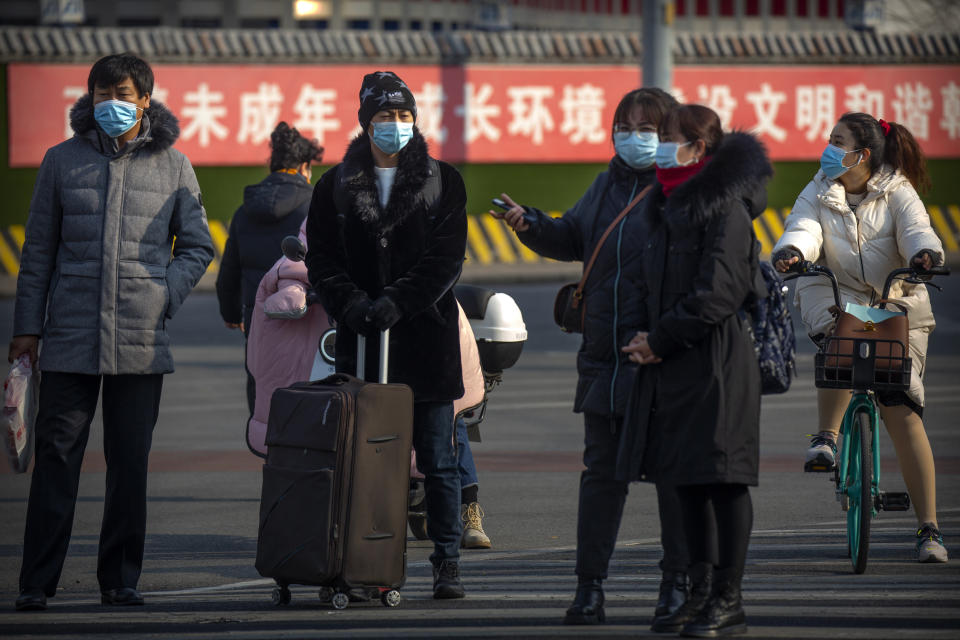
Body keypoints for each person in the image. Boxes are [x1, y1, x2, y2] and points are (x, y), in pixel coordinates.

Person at [9, 53, 214, 611]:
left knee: (130, 464)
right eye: (102, 94)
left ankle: (120, 577)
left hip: (140, 342)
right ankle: (36, 582)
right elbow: (37, 255)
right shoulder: (60, 162)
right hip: (69, 338)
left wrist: (163, 294)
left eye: (122, 94)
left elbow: (198, 246)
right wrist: (27, 328)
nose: (111, 105)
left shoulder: (174, 166)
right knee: (57, 459)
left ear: (145, 99)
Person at [490, 88, 690, 626]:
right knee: (601, 476)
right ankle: (589, 589)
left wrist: (665, 337)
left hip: (663, 359)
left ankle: (676, 586)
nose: (634, 136)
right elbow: (573, 236)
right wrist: (530, 224)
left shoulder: (684, 191)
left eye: (647, 127)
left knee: (674, 480)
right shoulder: (606, 185)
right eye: (624, 126)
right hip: (605, 357)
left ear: (671, 134)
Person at [305, 71, 468, 599]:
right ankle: (366, 562)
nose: (395, 125)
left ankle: (447, 563)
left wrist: (396, 302)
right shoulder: (333, 186)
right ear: (364, 122)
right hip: (362, 343)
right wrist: (353, 305)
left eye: (403, 115)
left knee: (439, 463)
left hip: (426, 342)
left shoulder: (443, 180)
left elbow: (445, 260)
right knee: (366, 463)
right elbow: (323, 260)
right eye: (383, 116)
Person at [621, 104, 771, 636]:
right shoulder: (666, 203)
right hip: (674, 364)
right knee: (684, 483)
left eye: (668, 137)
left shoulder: (724, 208)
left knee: (722, 481)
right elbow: (649, 282)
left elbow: (719, 293)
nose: (659, 145)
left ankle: (730, 599)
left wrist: (659, 339)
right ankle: (700, 592)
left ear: (698, 148)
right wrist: (644, 338)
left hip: (716, 365)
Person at [772, 112, 947, 563]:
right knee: (841, 341)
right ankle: (827, 438)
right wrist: (792, 252)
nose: (827, 148)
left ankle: (929, 530)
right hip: (835, 292)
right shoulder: (817, 190)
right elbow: (803, 227)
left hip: (896, 298)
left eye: (836, 141)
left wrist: (925, 255)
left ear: (861, 154)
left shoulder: (898, 191)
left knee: (901, 409)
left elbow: (916, 231)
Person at [216, 122, 323, 413]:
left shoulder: (244, 211)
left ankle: (266, 455)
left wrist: (230, 312)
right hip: (307, 322)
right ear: (304, 167)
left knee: (263, 402)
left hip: (259, 322)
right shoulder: (316, 207)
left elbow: (229, 271)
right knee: (308, 401)